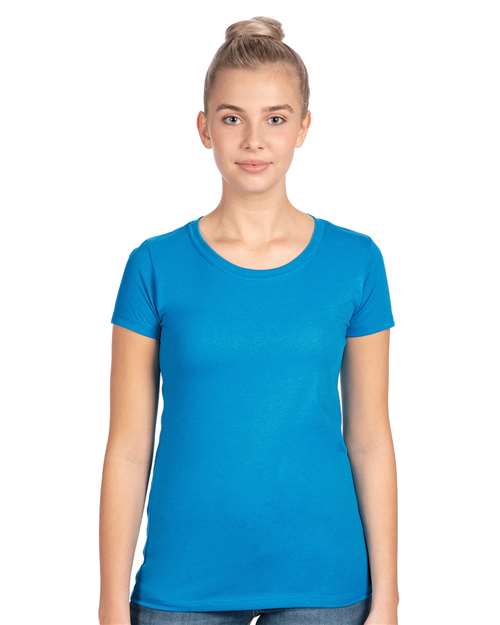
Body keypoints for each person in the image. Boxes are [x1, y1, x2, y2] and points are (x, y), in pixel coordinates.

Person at [99, 15, 399, 625]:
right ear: (205, 128)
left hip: (324, 581)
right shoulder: (154, 265)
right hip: (183, 583)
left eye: (276, 119)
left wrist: (389, 597)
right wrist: (109, 603)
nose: (254, 141)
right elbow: (128, 447)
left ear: (303, 127)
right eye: (233, 118)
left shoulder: (356, 261)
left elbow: (370, 437)